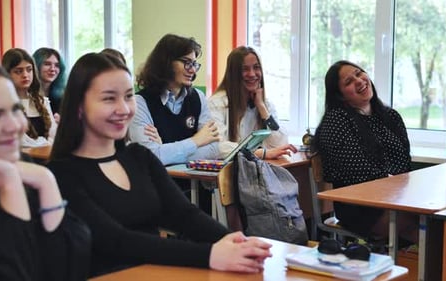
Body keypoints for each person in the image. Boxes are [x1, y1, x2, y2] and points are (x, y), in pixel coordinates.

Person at [47, 52, 272, 277]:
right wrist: (211, 254)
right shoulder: (61, 173)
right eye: (109, 98)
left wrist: (235, 242)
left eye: (128, 96)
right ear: (78, 106)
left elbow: (185, 215)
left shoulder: (139, 157)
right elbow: (117, 240)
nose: (124, 109)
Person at [0, 56, 90, 280]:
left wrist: (46, 182)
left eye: (16, 109)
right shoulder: (10, 174)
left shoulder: (27, 169)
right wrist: (9, 184)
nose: (17, 125)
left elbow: (72, 267)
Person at [312, 60, 418, 243]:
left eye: (359, 73)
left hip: (397, 198)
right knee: (426, 225)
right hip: (360, 206)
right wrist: (392, 183)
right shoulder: (336, 121)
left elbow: (405, 163)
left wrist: (397, 187)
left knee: (437, 221)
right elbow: (358, 173)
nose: (359, 80)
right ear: (340, 95)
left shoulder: (390, 116)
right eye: (349, 82)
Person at [128, 34, 221, 166]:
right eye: (187, 63)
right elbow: (149, 157)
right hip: (158, 185)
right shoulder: (140, 102)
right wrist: (196, 141)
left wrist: (165, 150)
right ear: (166, 62)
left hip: (195, 184)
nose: (193, 70)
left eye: (194, 64)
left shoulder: (198, 97)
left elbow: (213, 150)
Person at [209, 46, 297, 160]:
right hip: (225, 174)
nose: (252, 74)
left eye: (256, 67)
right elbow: (218, 147)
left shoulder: (264, 104)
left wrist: (262, 108)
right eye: (245, 69)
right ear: (234, 74)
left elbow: (280, 144)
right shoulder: (217, 103)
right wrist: (260, 153)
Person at [2, 48, 57, 147]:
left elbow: (54, 134)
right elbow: (21, 141)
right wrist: (44, 144)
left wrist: (47, 144)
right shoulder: (4, 104)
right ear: (7, 74)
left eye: (29, 70)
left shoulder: (42, 101)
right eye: (18, 71)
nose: (25, 75)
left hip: (45, 156)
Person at [32, 47, 67, 116]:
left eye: (57, 65)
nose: (53, 69)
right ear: (36, 66)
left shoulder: (63, 96)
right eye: (47, 64)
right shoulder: (26, 95)